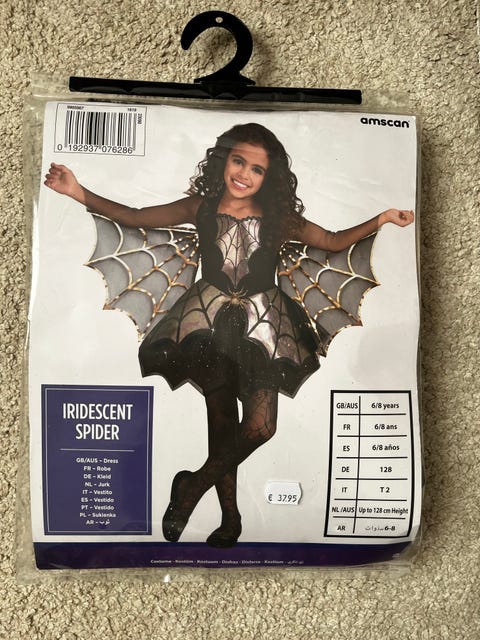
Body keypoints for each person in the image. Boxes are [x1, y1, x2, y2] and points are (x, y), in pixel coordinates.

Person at [44, 123, 414, 548]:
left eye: (257, 169)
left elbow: (331, 241)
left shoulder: (279, 219)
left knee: (260, 427)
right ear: (223, 161)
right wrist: (78, 192)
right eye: (238, 161)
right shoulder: (201, 206)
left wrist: (382, 218)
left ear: (269, 178)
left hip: (265, 327)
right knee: (221, 425)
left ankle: (191, 486)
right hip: (207, 327)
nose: (244, 174)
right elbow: (135, 217)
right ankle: (231, 519)